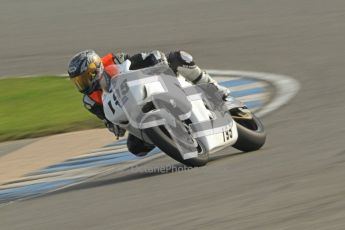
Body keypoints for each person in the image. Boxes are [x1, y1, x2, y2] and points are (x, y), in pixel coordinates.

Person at [67, 50, 230, 156]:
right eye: (77, 82)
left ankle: (213, 87)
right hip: (135, 112)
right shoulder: (90, 101)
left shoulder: (116, 60)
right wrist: (114, 127)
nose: (81, 84)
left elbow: (145, 58)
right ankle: (172, 138)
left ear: (95, 70)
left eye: (83, 78)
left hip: (153, 85)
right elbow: (107, 120)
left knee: (178, 57)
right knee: (135, 147)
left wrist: (157, 61)